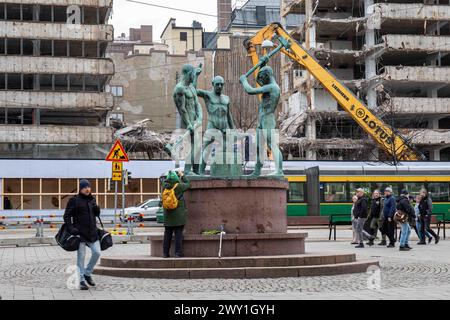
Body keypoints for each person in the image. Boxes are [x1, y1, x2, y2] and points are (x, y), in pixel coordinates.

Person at [240, 60, 283, 176]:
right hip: (262, 119)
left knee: (272, 144)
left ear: (268, 76)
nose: (261, 81)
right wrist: (263, 64)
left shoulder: (272, 87)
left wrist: (244, 81)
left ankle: (279, 171)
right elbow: (260, 79)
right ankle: (257, 171)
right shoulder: (269, 85)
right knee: (259, 147)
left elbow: (250, 90)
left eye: (263, 78)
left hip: (268, 119)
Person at [63, 179, 101, 290]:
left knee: (97, 252)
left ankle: (87, 273)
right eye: (85, 187)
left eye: (89, 187)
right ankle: (81, 280)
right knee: (81, 257)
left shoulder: (92, 199)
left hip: (93, 233)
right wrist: (71, 228)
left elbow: (96, 214)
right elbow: (66, 216)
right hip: (80, 234)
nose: (87, 189)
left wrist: (97, 210)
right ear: (80, 189)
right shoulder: (74, 200)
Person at [173, 64, 203, 176]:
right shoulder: (179, 89)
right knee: (195, 146)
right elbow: (182, 109)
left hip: (195, 122)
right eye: (193, 74)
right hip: (186, 122)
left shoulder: (191, 87)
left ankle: (196, 171)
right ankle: (187, 170)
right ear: (188, 74)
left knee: (198, 148)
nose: (193, 76)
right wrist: (189, 124)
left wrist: (200, 117)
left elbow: (197, 103)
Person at [162, 170, 190, 258]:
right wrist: (182, 175)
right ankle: (178, 253)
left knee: (167, 235)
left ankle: (165, 253)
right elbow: (188, 184)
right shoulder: (179, 186)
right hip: (178, 216)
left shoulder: (164, 186)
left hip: (167, 216)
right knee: (178, 235)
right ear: (176, 178)